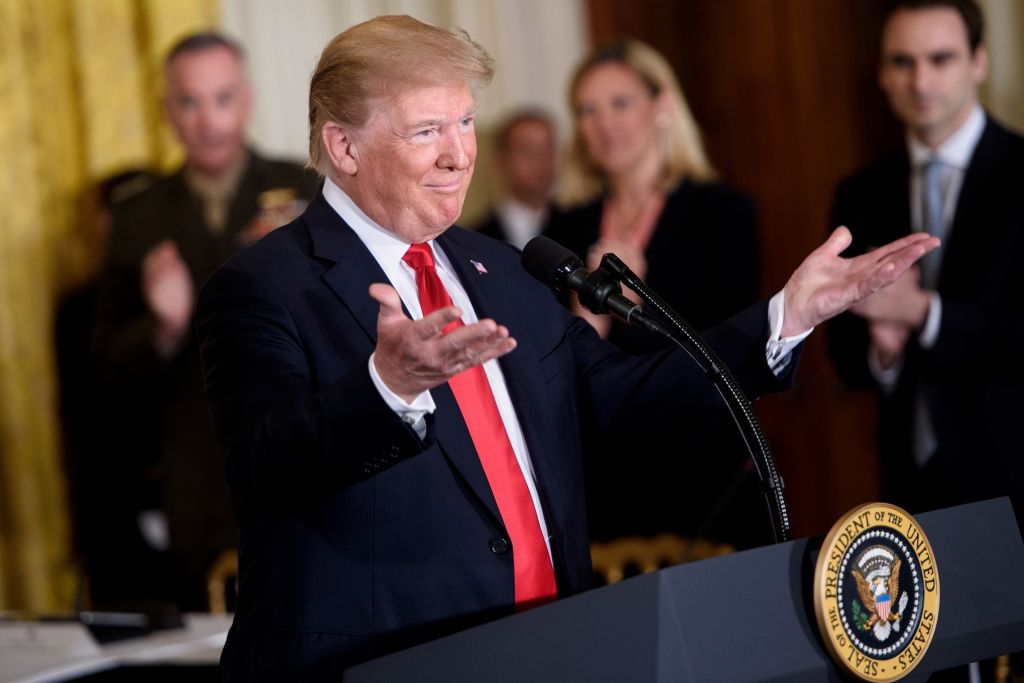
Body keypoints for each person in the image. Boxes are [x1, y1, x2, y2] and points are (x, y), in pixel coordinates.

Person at [194, 15, 935, 680]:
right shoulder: (264, 286)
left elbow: (624, 399)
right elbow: (266, 466)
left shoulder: (503, 269)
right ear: (344, 146)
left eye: (465, 123)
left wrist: (787, 316)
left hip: (550, 650)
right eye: (426, 132)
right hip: (379, 663)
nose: (459, 156)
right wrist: (388, 386)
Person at [827, 4, 1023, 676]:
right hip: (909, 487)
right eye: (902, 62)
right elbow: (844, 358)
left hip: (1015, 474)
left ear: (978, 62)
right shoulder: (860, 192)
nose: (920, 81)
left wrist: (923, 312)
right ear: (883, 75)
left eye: (940, 59)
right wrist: (882, 346)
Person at [93, 31, 319, 610]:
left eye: (222, 99)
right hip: (195, 478)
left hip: (301, 456)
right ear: (167, 110)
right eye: (189, 102)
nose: (208, 120)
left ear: (246, 100)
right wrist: (164, 329)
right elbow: (108, 365)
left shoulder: (306, 190)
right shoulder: (137, 215)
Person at [546, 40, 762, 546]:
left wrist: (635, 305)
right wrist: (589, 311)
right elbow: (553, 364)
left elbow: (727, 350)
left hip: (702, 473)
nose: (604, 123)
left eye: (620, 103)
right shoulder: (564, 224)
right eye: (587, 110)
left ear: (662, 105)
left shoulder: (721, 212)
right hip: (601, 479)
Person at [473, 109, 560, 249]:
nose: (541, 160)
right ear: (502, 161)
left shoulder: (580, 227)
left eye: (548, 149)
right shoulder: (476, 239)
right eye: (527, 151)